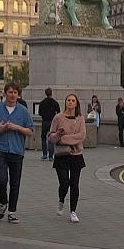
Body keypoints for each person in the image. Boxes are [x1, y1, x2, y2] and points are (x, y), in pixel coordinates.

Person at [0, 82, 35, 223]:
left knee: (15, 182)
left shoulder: (23, 111)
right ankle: (3, 201)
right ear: (4, 93)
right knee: (1, 179)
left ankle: (12, 211)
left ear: (18, 95)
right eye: (10, 92)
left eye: (15, 92)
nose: (12, 95)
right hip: (1, 149)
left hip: (17, 150)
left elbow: (30, 131)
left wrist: (17, 127)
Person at [49, 93, 87, 222]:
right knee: (64, 183)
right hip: (62, 155)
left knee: (74, 183)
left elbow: (81, 136)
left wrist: (63, 139)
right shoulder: (58, 118)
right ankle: (61, 201)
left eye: (73, 100)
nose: (70, 102)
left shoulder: (80, 118)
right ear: (65, 102)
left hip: (76, 155)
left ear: (76, 103)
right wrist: (57, 135)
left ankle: (73, 211)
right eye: (68, 100)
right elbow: (51, 137)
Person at [38, 88, 60, 161]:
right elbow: (59, 112)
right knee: (51, 138)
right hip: (52, 121)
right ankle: (51, 155)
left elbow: (40, 113)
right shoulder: (55, 102)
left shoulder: (42, 103)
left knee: (43, 138)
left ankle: (44, 154)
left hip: (45, 121)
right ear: (51, 93)